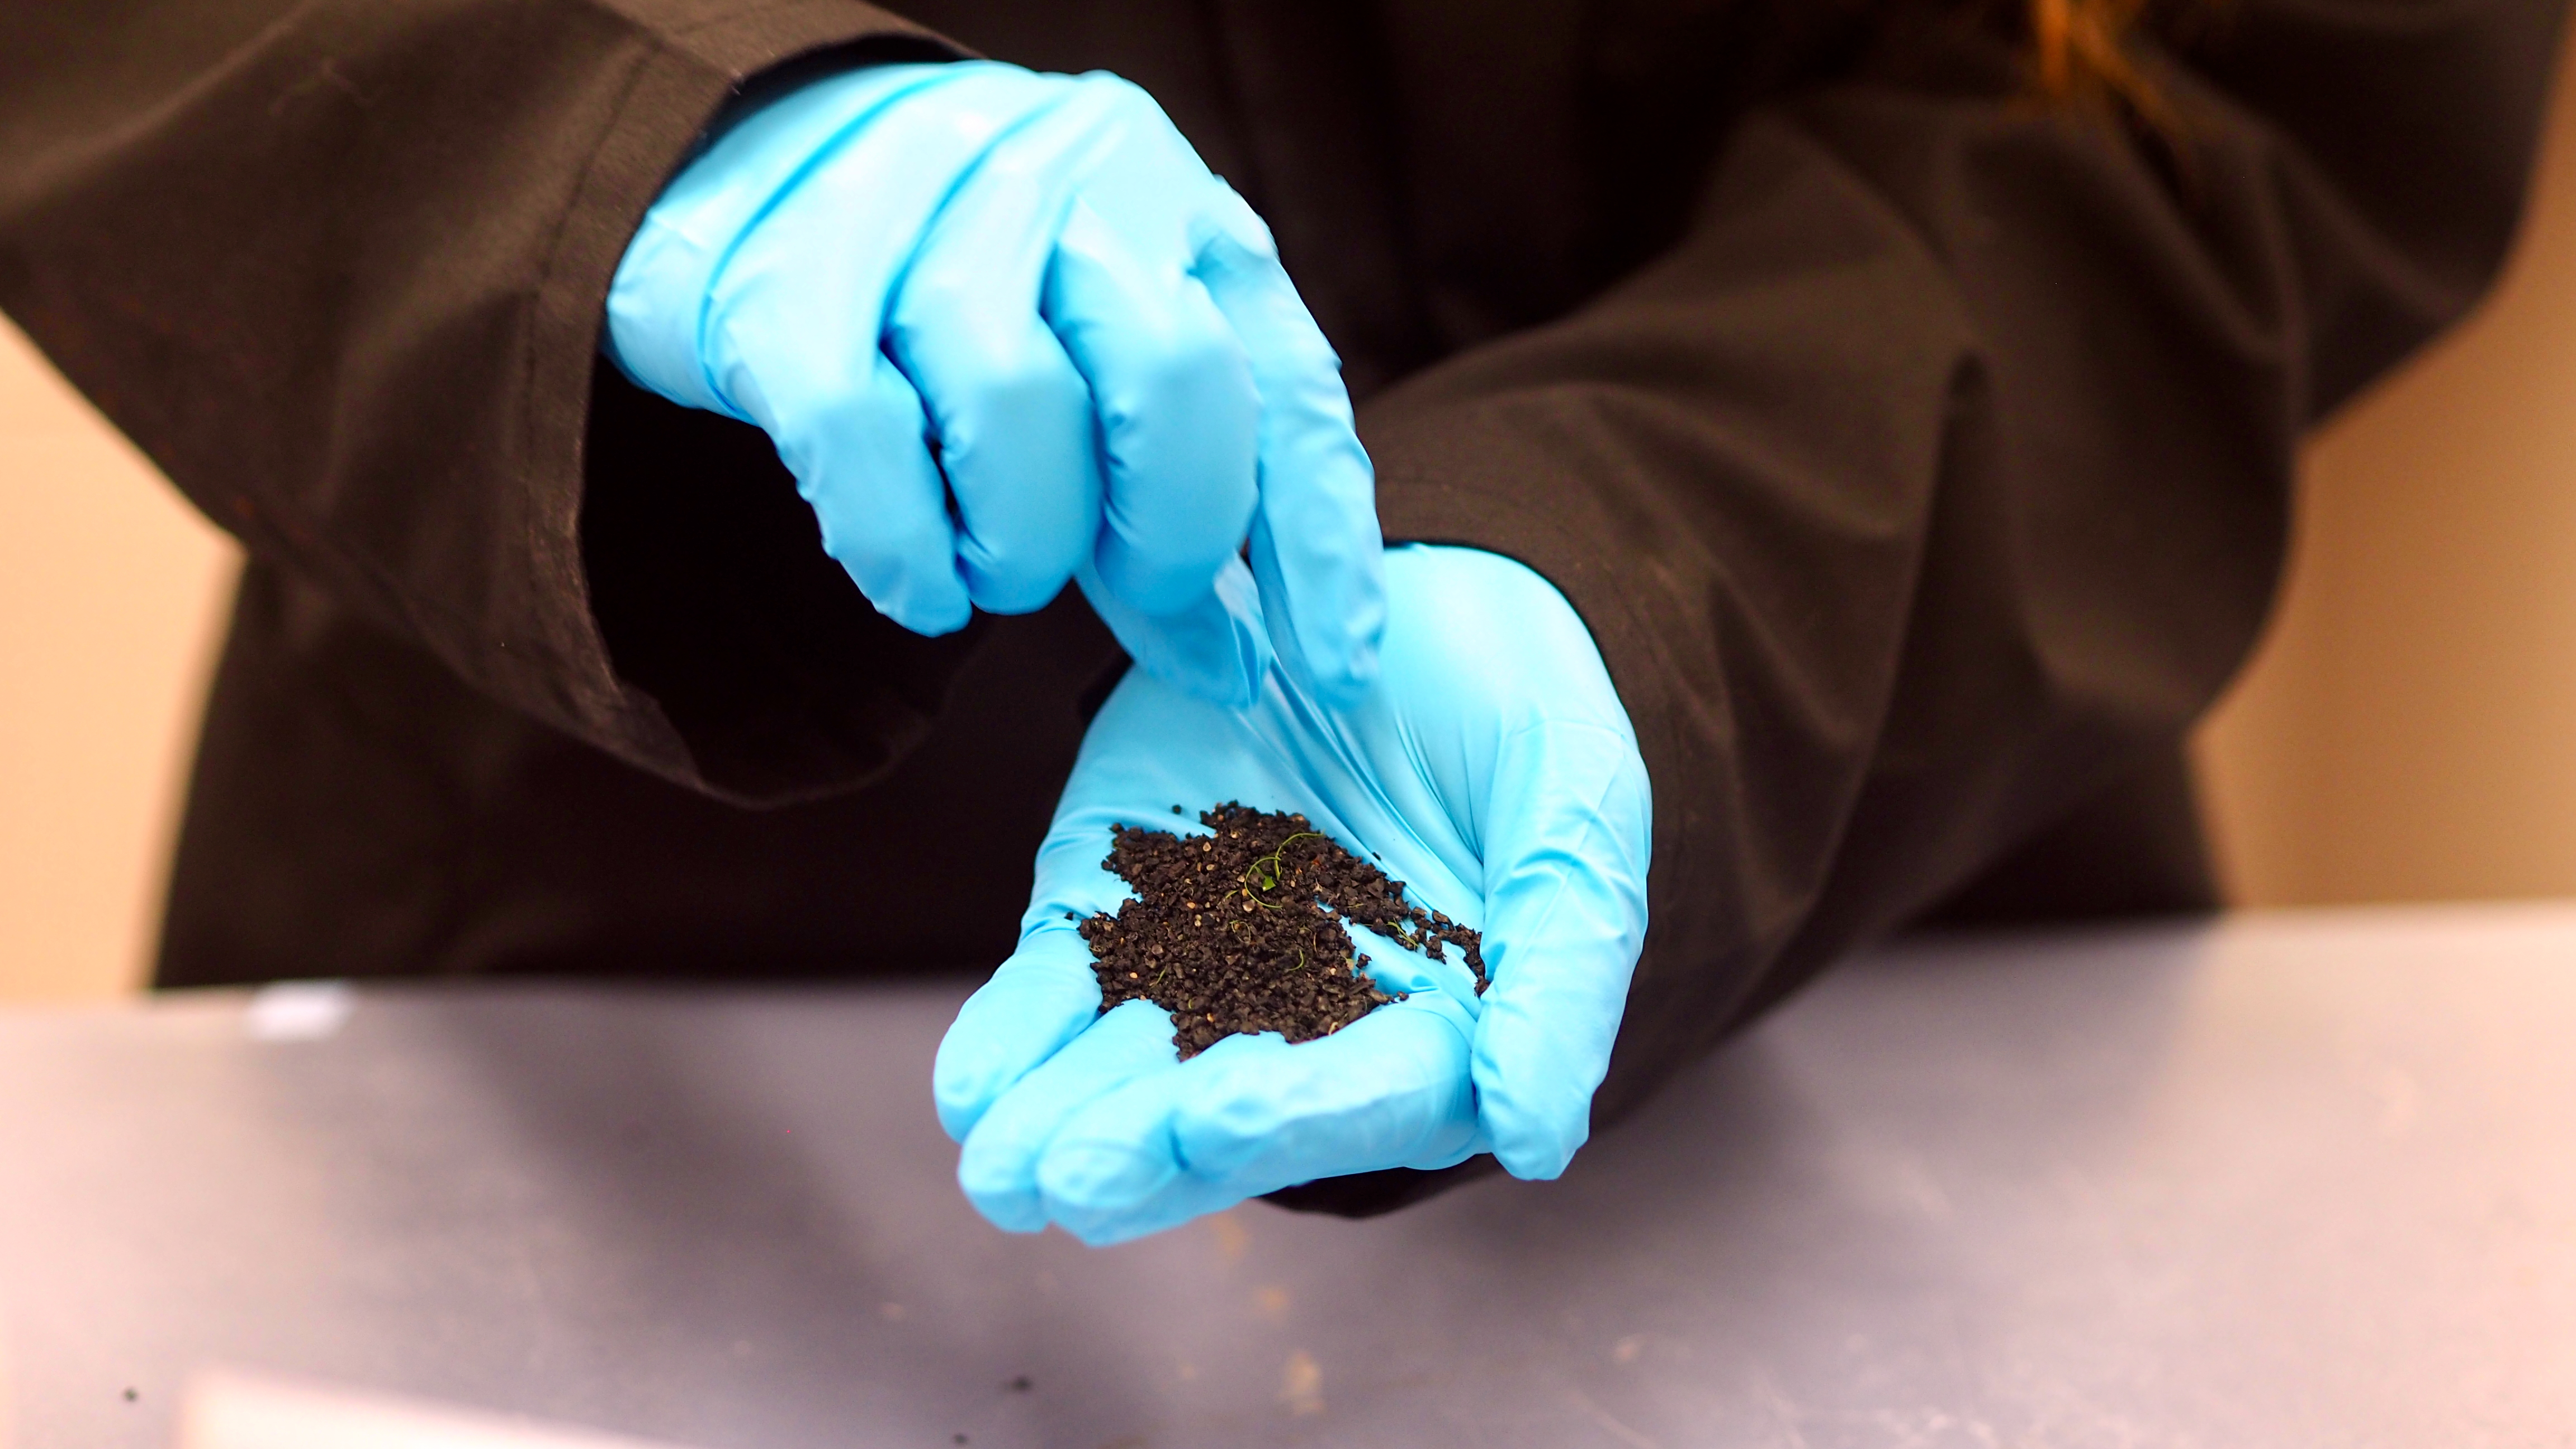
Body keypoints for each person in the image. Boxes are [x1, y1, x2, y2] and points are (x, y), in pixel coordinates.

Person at [0, 0, 2560, 1243]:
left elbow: (2264, 104)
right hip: (588, 951)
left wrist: (1634, 581)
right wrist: (601, 127)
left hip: (1868, 820)